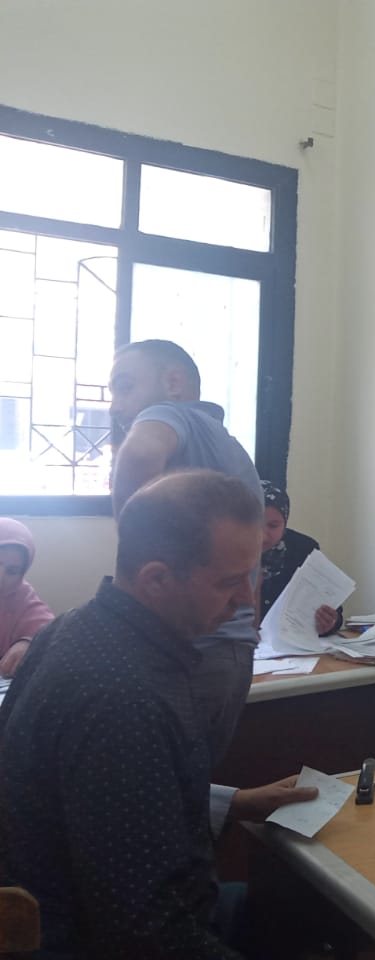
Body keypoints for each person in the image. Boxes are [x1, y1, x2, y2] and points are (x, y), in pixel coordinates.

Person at [0, 470, 318, 958]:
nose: (244, 598)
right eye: (229, 582)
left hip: (116, 915)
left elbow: (101, 795)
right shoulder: (125, 699)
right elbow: (145, 935)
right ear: (156, 579)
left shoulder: (72, 628)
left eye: (251, 575)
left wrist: (234, 803)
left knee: (298, 907)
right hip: (89, 942)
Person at [109, 339, 263, 765]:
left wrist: (133, 553)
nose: (116, 406)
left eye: (125, 386)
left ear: (173, 383)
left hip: (189, 646)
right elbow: (252, 565)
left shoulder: (167, 414)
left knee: (157, 783)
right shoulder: (231, 451)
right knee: (189, 783)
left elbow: (139, 453)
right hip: (232, 648)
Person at [260, 481, 342, 635]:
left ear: (285, 523)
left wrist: (330, 622)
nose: (263, 535)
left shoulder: (303, 549)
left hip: (292, 645)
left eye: (273, 526)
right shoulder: (224, 552)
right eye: (255, 523)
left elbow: (332, 607)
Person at [0, 518, 54, 677]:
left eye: (12, 571)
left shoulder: (21, 595)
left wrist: (27, 642)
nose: (0, 577)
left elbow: (50, 629)